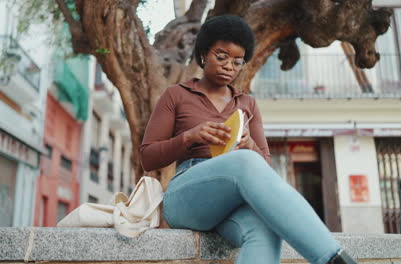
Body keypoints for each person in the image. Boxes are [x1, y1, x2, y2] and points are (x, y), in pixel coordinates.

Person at [140, 15, 357, 264]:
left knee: (265, 230)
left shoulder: (247, 103)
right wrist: (190, 136)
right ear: (203, 53)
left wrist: (250, 145)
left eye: (237, 61)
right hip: (185, 197)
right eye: (221, 57)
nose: (229, 66)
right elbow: (148, 157)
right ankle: (333, 258)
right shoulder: (176, 95)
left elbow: (264, 166)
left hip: (233, 198)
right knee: (244, 161)